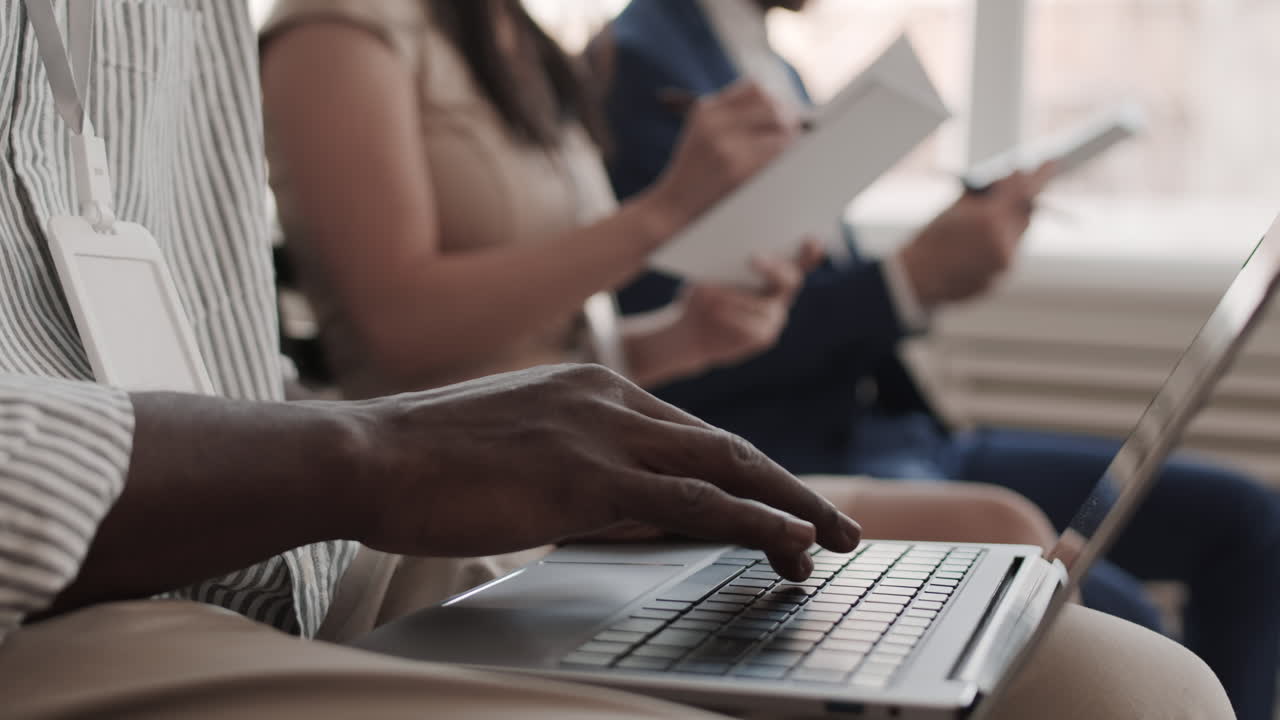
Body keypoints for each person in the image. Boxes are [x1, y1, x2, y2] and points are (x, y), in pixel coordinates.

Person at [0, 2, 1239, 718]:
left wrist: (665, 338)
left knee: (1122, 677)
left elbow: (243, 362)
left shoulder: (516, 50)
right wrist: (669, 227)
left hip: (334, 500)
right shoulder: (344, 32)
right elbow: (404, 341)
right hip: (195, 519)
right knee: (1025, 579)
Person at [598, 1, 1280, 717]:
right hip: (799, 458)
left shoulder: (776, 65)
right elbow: (678, 345)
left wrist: (929, 271)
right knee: (1123, 625)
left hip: (891, 431)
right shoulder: (639, 63)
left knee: (1248, 521)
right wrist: (905, 283)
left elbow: (791, 277)